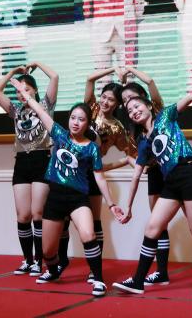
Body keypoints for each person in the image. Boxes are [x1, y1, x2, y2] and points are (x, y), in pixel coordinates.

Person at [113, 68, 192, 297]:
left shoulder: (166, 116)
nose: (134, 111)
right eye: (129, 110)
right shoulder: (143, 141)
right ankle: (138, 281)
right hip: (170, 183)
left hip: (189, 174)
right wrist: (128, 207)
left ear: (148, 106)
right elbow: (136, 175)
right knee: (152, 228)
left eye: (137, 106)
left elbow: (190, 97)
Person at [10, 78, 124, 297]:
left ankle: (98, 279)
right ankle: (53, 270)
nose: (76, 122)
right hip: (54, 199)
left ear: (87, 124)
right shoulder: (59, 135)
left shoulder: (91, 148)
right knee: (47, 251)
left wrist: (112, 205)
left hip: (78, 200)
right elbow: (39, 110)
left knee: (88, 234)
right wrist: (24, 94)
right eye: (73, 118)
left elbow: (99, 178)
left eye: (81, 119)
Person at [57, 67, 136, 283]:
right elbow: (90, 80)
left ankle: (95, 269)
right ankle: (61, 261)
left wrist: (126, 162)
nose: (105, 102)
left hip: (92, 177)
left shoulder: (117, 128)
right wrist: (113, 69)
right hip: (69, 172)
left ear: (118, 104)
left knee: (95, 221)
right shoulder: (90, 109)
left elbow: (131, 154)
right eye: (104, 96)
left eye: (111, 100)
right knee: (62, 218)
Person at [0, 62, 58, 277]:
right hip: (21, 162)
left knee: (37, 213)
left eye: (26, 89)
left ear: (35, 91)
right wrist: (13, 72)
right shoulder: (16, 111)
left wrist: (37, 64)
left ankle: (39, 261)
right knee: (23, 215)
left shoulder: (45, 106)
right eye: (19, 91)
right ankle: (27, 260)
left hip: (42, 160)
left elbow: (54, 77)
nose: (21, 94)